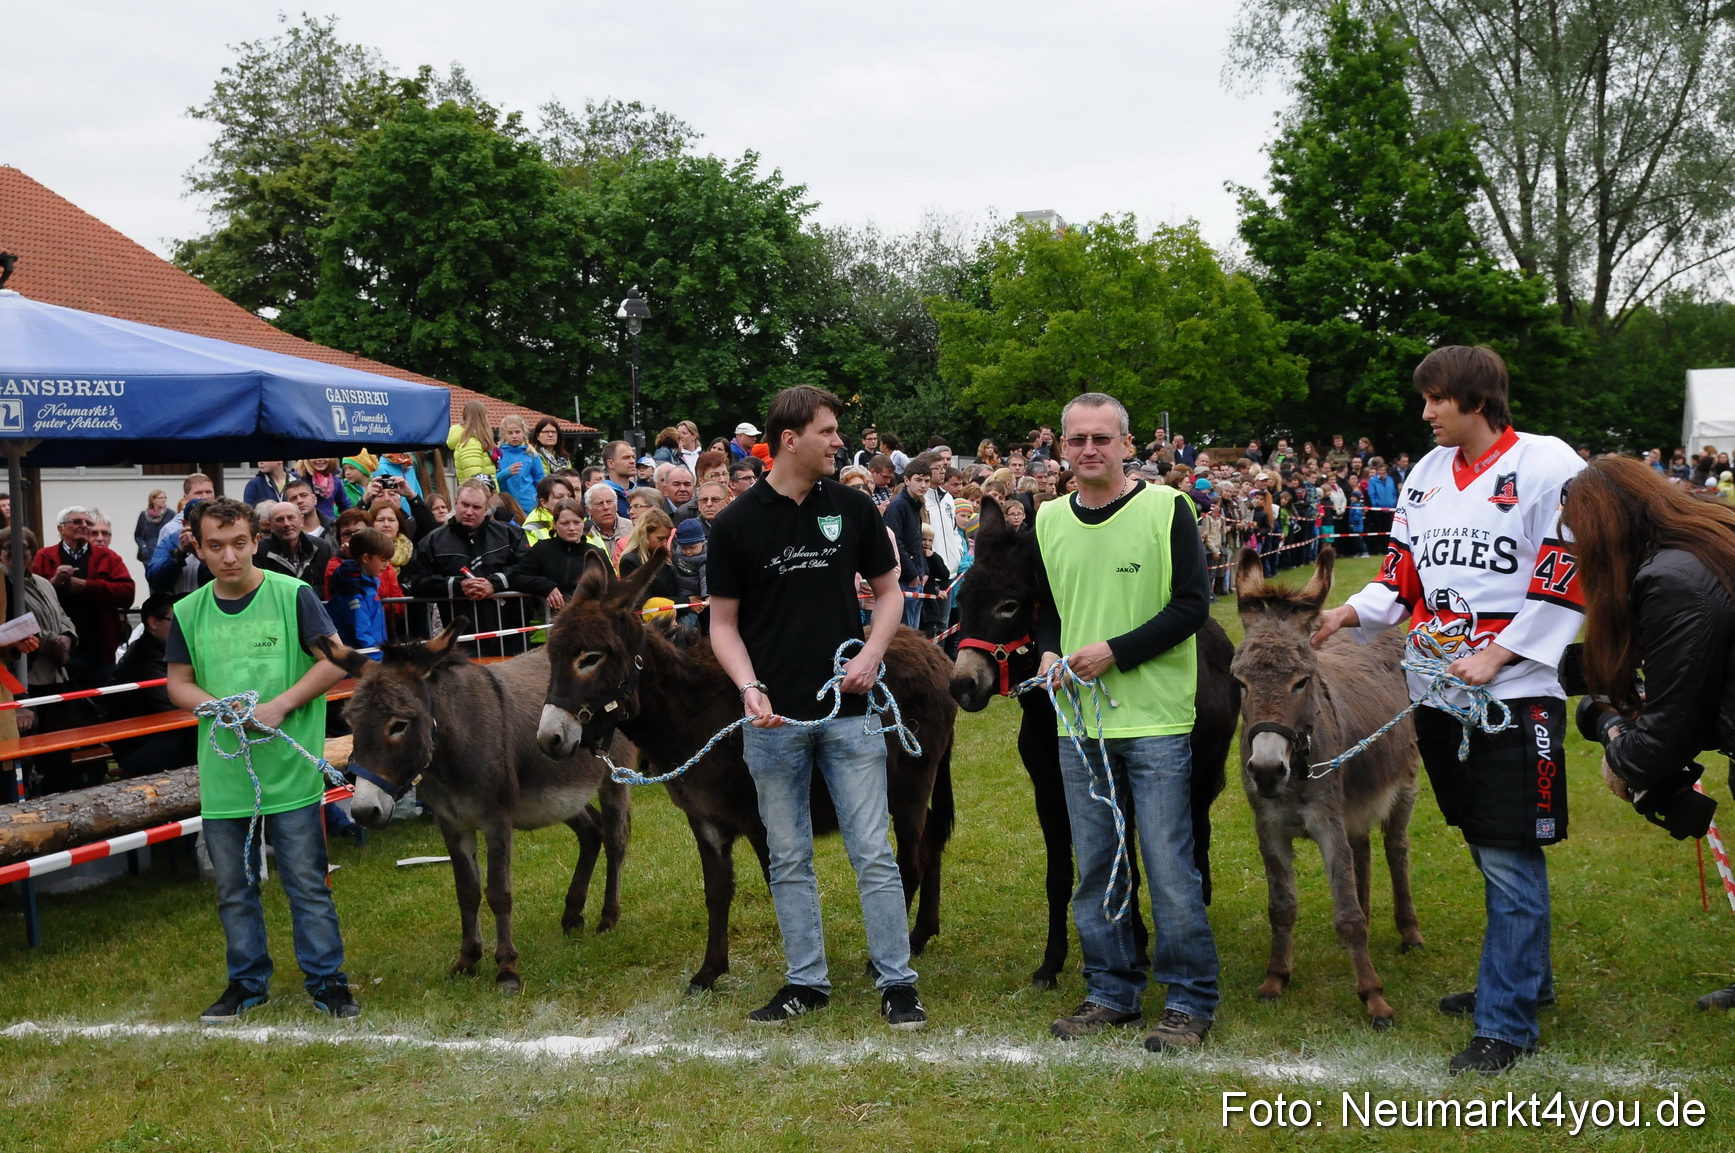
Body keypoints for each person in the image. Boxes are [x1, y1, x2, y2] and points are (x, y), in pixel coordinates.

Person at [1312, 345, 1585, 1075]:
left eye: (1435, 399)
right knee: (1484, 838)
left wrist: (1502, 653)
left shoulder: (1546, 463)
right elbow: (1402, 573)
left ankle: (1506, 1022)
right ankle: (1527, 979)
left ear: (1476, 400)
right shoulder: (1425, 476)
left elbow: (1569, 566)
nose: (1424, 412)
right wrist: (1346, 613)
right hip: (1434, 690)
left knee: (1507, 849)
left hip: (1513, 695)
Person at [705, 384, 923, 1029]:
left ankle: (897, 981)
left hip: (849, 715)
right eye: (828, 432)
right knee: (788, 856)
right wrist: (749, 687)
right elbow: (722, 624)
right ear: (790, 440)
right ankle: (806, 981)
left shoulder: (853, 508)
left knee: (872, 852)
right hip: (771, 723)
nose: (839, 443)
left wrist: (872, 656)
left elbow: (890, 595)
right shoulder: (737, 522)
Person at [1034, 392, 1218, 1054]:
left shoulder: (1167, 507)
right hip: (1077, 724)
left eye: (1101, 438)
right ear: (1061, 447)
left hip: (1155, 718)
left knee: (1168, 866)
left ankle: (1189, 999)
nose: (1089, 449)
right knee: (1097, 866)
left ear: (1126, 444)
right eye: (1077, 439)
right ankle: (1111, 989)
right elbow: (1051, 604)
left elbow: (1193, 605)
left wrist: (1115, 651)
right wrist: (1051, 649)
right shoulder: (1049, 518)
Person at [164, 497, 357, 1023]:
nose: (229, 556)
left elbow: (337, 662)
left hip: (289, 774)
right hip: (226, 778)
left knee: (307, 883)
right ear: (199, 548)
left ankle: (327, 981)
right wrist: (211, 706)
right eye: (216, 546)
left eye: (240, 544)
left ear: (255, 541)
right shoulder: (188, 610)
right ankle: (247, 983)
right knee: (234, 889)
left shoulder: (292, 594)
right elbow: (178, 682)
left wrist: (281, 705)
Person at [1557, 456, 1735, 1011]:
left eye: (1578, 536)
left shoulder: (1674, 578)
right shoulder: (1707, 537)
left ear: (1606, 527)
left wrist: (1607, 726)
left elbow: (1662, 739)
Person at [404, 480, 534, 656]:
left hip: (510, 633)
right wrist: (458, 586)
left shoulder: (510, 534)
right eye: (465, 505)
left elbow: (529, 568)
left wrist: (494, 584)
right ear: (456, 502)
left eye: (476, 507)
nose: (469, 512)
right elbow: (419, 583)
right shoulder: (432, 542)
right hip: (462, 638)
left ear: (487, 508)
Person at [31, 505, 134, 687]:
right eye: (77, 521)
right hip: (54, 649)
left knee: (101, 705)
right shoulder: (43, 557)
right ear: (60, 528)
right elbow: (30, 596)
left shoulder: (108, 557)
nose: (84, 526)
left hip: (99, 650)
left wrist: (88, 586)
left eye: (88, 523)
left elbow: (127, 593)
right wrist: (54, 582)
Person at [107, 594, 199, 777]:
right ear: (153, 623)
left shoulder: (165, 651)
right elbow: (175, 705)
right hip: (139, 747)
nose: (187, 626)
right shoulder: (144, 660)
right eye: (179, 620)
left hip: (156, 737)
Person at [518, 499, 610, 612]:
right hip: (551, 621)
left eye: (576, 523)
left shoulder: (597, 553)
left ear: (583, 523)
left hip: (589, 620)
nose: (572, 528)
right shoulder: (541, 549)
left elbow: (612, 588)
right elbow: (517, 576)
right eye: (565, 523)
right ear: (554, 525)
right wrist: (545, 586)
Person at [325, 527, 393, 654]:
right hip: (360, 657)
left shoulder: (368, 583)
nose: (387, 565)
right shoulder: (353, 589)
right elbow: (360, 631)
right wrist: (379, 656)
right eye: (383, 560)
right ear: (366, 558)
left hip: (372, 652)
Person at [882, 457, 930, 630]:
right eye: (918, 480)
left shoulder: (916, 505)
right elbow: (896, 543)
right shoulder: (898, 505)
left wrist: (924, 570)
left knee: (915, 630)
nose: (923, 485)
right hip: (904, 579)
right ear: (907, 480)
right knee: (907, 632)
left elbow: (916, 542)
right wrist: (912, 574)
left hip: (917, 576)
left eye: (926, 481)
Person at [616, 509, 677, 601]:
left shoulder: (664, 556)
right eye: (660, 539)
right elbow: (644, 601)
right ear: (644, 534)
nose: (665, 544)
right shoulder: (630, 561)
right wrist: (685, 601)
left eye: (667, 539)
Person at [495, 414, 547, 516]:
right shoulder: (498, 454)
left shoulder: (532, 454)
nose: (514, 436)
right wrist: (506, 473)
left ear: (523, 433)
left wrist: (541, 500)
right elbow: (494, 480)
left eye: (517, 432)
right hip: (506, 505)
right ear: (504, 434)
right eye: (510, 433)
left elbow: (540, 480)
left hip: (529, 504)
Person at [447, 399, 500, 487]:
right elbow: (475, 480)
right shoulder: (470, 443)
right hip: (481, 496)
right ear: (481, 418)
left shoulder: (472, 441)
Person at [134, 489, 172, 563]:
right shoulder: (144, 515)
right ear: (153, 500)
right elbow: (137, 535)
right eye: (161, 498)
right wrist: (143, 546)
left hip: (164, 553)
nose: (164, 500)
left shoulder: (170, 514)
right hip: (148, 555)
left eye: (165, 498)